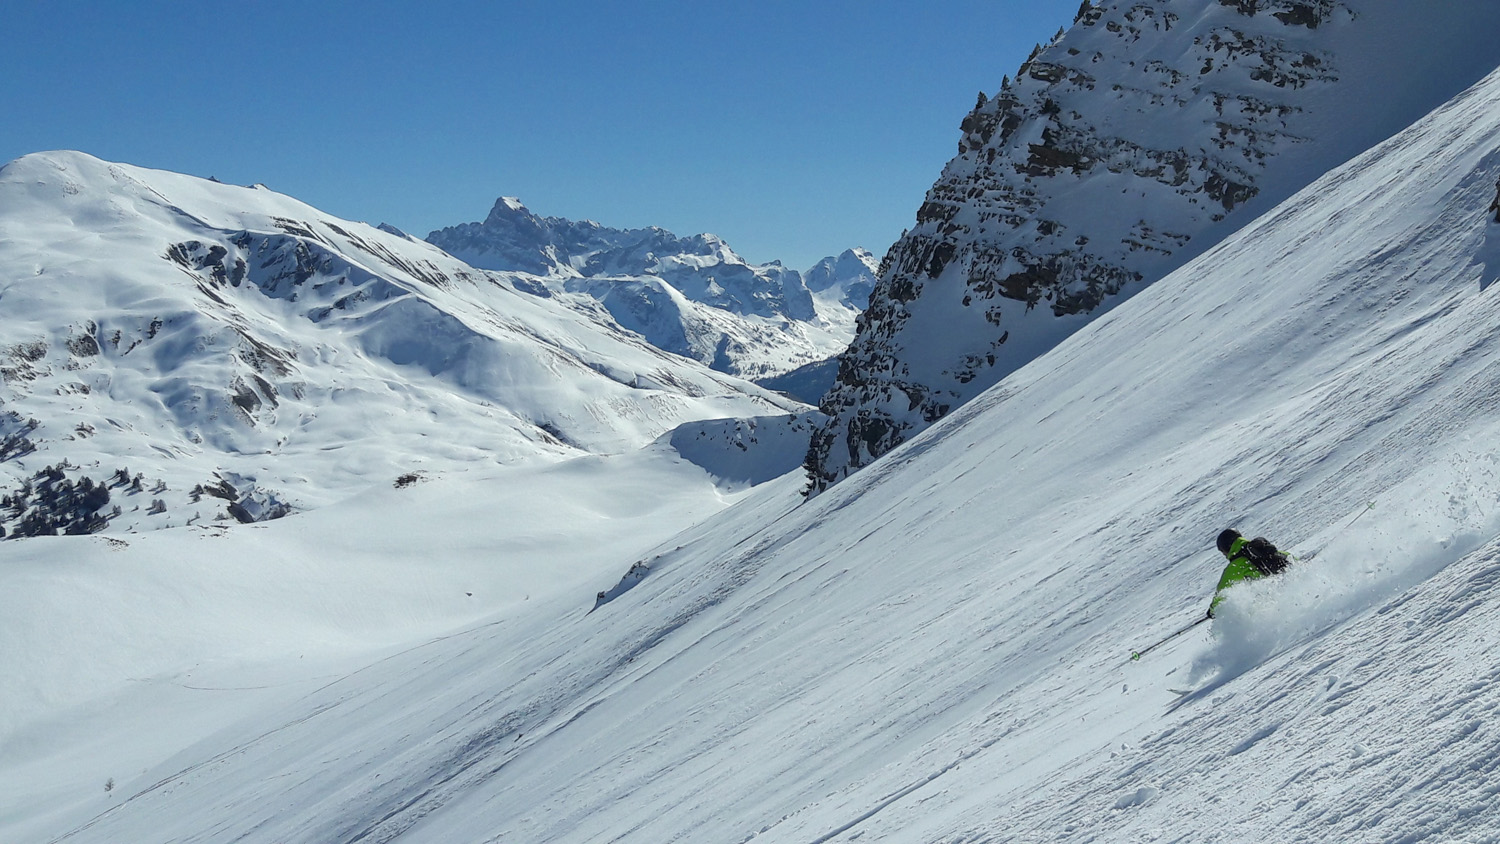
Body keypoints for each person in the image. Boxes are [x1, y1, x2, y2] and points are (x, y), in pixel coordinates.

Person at [1208, 528, 1290, 618]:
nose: (1224, 555)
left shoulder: (1235, 566)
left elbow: (1222, 592)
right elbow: (1288, 557)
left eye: (1223, 551)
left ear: (1227, 547)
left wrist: (1212, 610)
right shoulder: (1260, 550)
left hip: (1272, 602)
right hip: (1287, 588)